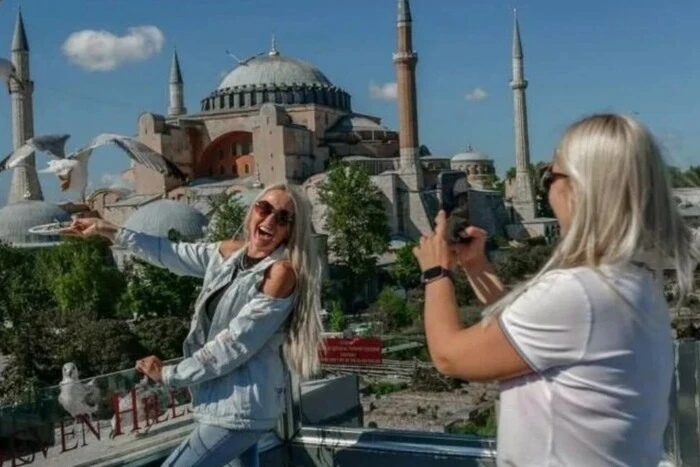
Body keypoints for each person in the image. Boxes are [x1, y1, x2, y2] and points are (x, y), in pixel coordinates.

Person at [413, 113, 697, 466]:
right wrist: (477, 266)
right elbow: (528, 334)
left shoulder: (579, 293)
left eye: (550, 175)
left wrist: (436, 272)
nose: (547, 188)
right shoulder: (631, 284)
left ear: (580, 188)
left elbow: (449, 356)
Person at [64, 182, 323, 467]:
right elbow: (172, 253)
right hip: (223, 400)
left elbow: (234, 343)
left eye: (283, 218)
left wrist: (169, 374)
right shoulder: (230, 254)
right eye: (264, 208)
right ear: (253, 211)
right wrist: (108, 230)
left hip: (242, 408)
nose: (270, 220)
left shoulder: (280, 273)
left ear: (291, 230)